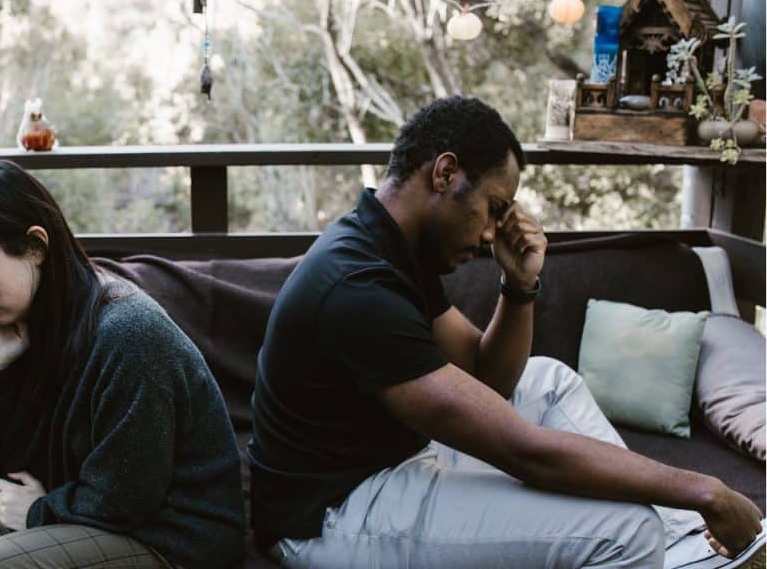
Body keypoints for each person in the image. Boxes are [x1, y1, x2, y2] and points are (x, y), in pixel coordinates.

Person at [248, 96, 765, 569]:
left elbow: (490, 379)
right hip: (333, 514)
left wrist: (518, 286)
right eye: (494, 208)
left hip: (387, 462)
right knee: (627, 532)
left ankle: (687, 549)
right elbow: (524, 452)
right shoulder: (356, 285)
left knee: (549, 380)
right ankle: (673, 543)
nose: (492, 233)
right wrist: (706, 492)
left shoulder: (390, 245)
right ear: (445, 173)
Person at [0, 160, 245, 569]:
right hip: (80, 507)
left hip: (166, 539)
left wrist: (38, 512)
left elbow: (125, 500)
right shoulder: (25, 326)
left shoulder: (129, 334)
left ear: (36, 246)